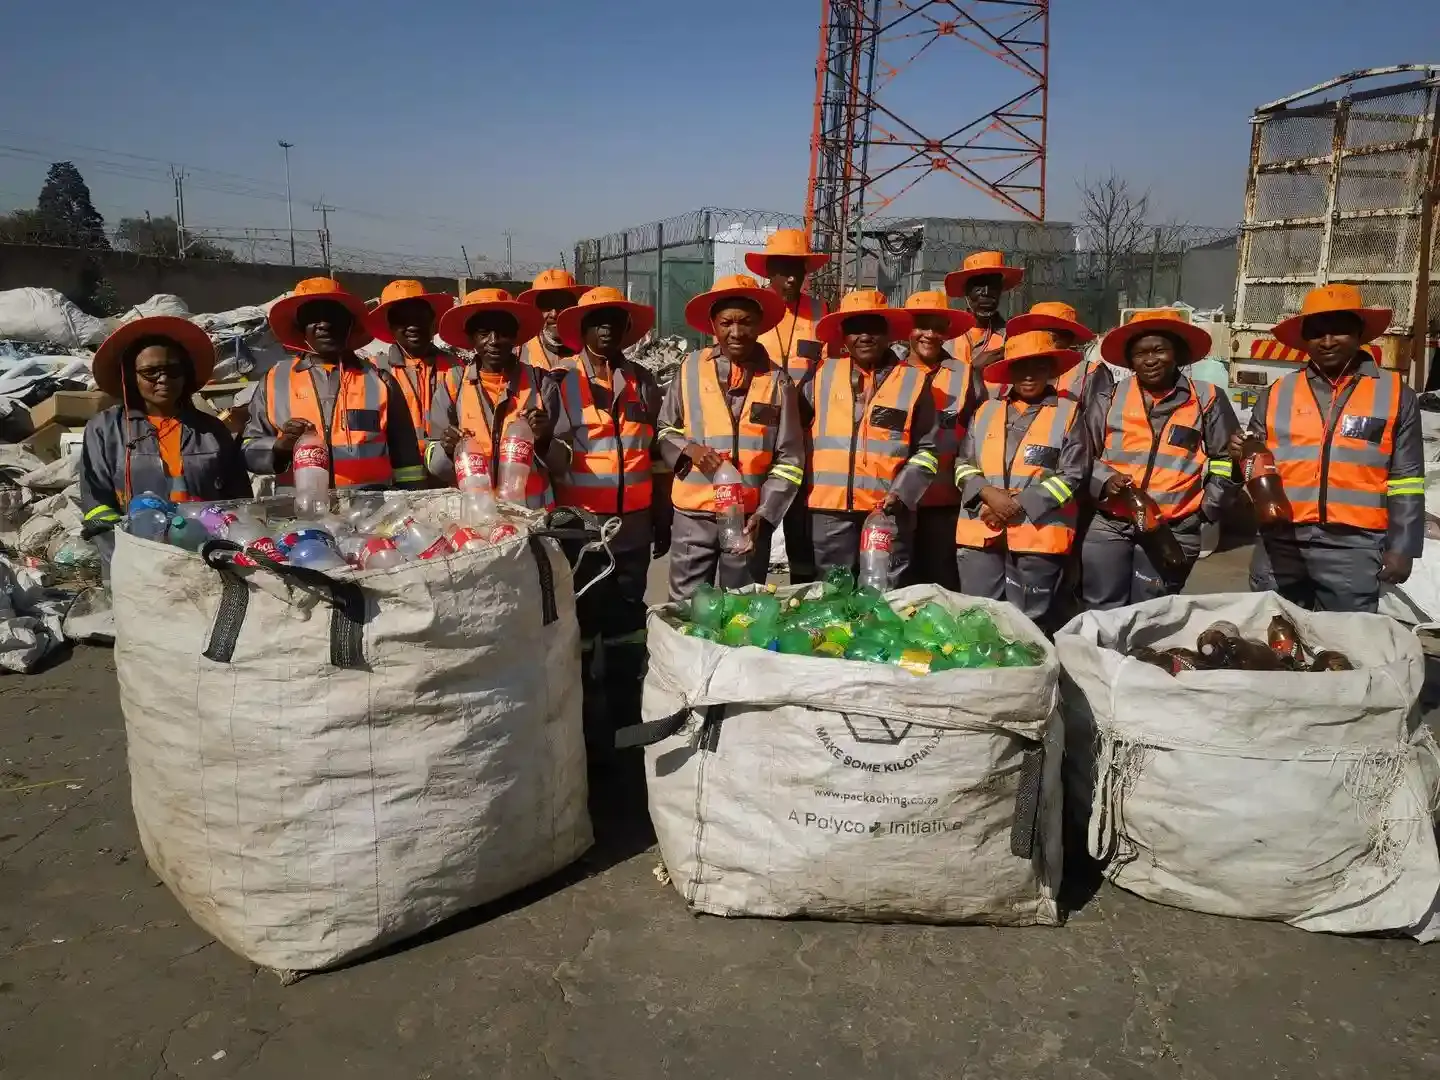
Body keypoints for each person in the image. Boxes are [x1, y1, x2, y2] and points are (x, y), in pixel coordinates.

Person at [1235, 284, 1421, 613]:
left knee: (1343, 646)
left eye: (1340, 331)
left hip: (1353, 546)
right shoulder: (1278, 391)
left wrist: (1403, 547)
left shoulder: (1395, 394)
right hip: (1281, 540)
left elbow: (1407, 479)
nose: (1328, 341)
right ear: (1305, 339)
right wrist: (1238, 452)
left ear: (1359, 333)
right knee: (1277, 637)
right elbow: (1255, 460)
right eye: (1317, 332)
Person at [550, 287, 662, 762]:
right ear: (583, 331)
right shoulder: (558, 383)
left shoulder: (644, 380)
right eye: (598, 323)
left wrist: (664, 518)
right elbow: (553, 456)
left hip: (633, 522)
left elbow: (655, 454)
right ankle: (581, 714)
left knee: (626, 618)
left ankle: (624, 706)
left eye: (615, 323)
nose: (607, 330)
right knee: (582, 617)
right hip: (582, 526)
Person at [657, 274, 805, 600]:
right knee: (687, 605)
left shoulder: (779, 382)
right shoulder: (690, 369)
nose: (736, 332)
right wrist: (690, 450)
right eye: (726, 323)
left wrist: (765, 515)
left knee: (742, 608)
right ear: (713, 324)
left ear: (760, 325)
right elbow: (665, 429)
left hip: (748, 519)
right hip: (693, 515)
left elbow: (790, 459)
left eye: (746, 323)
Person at [1083, 309, 1239, 609]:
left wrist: (1207, 509)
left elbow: (1226, 458)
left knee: (1152, 612)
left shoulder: (1206, 397)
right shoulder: (1109, 396)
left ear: (1177, 354)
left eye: (1159, 350)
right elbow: (1082, 454)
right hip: (1111, 524)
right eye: (1141, 353)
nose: (1151, 360)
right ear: (1130, 360)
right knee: (1102, 609)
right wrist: (1104, 480)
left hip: (1174, 527)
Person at [953, 331, 1091, 628]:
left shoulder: (1069, 414)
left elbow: (1073, 474)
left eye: (1038, 367)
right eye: (1020, 368)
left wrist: (1017, 504)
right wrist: (988, 495)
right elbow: (963, 465)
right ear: (1008, 372)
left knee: (1028, 626)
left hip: (1038, 537)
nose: (1029, 376)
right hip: (980, 533)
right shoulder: (985, 411)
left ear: (1051, 370)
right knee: (978, 619)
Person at [80, 316, 252, 550]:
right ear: (131, 377)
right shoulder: (104, 429)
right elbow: (98, 506)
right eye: (151, 372)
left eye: (173, 371)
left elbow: (239, 502)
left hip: (205, 557)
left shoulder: (212, 430)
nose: (163, 379)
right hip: (138, 561)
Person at [806, 289, 940, 585]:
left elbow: (928, 451)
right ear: (843, 336)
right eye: (855, 329)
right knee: (831, 594)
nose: (865, 337)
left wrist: (902, 494)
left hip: (888, 513)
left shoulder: (914, 382)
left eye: (874, 329)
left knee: (883, 596)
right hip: (830, 513)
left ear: (889, 334)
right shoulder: (821, 376)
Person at [243, 277, 425, 493]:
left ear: (349, 325)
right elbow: (248, 449)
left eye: (333, 317)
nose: (324, 325)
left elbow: (408, 461)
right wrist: (280, 447)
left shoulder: (380, 381)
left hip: (370, 513)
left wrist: (413, 502)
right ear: (301, 327)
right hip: (298, 512)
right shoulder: (274, 380)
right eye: (313, 318)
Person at [746, 228, 831, 583]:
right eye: (783, 268)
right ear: (769, 272)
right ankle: (753, 594)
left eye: (799, 269)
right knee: (759, 516)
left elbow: (828, 366)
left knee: (802, 524)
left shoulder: (819, 311)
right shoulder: (752, 310)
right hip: (760, 432)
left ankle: (803, 596)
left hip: (806, 435)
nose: (793, 277)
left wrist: (806, 402)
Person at [426, 288, 562, 507]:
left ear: (515, 336)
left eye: (502, 332)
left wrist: (544, 439)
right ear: (471, 338)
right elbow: (434, 462)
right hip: (477, 517)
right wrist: (446, 448)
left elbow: (564, 461)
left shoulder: (542, 383)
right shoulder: (453, 384)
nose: (494, 341)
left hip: (533, 516)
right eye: (483, 333)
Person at [899, 289, 977, 589]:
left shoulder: (966, 376)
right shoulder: (892, 373)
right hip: (898, 503)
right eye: (921, 325)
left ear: (946, 332)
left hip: (943, 504)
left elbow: (977, 436)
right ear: (908, 329)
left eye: (937, 327)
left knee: (941, 585)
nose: (929, 334)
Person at [364, 279, 460, 465]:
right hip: (397, 476)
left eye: (420, 318)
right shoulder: (374, 371)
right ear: (390, 326)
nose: (413, 325)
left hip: (448, 472)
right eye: (402, 319)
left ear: (433, 323)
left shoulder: (456, 368)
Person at [943, 250, 1024, 392]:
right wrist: (974, 369)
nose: (986, 292)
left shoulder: (1012, 338)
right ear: (966, 291)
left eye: (993, 285)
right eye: (978, 285)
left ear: (1000, 291)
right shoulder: (944, 335)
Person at [1007, 301, 1105, 406]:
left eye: (1050, 335)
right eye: (1037, 333)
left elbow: (1096, 418)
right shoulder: (1013, 366)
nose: (1042, 340)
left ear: (1069, 338)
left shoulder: (1090, 372)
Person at [517, 268, 589, 373]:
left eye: (562, 304)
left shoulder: (591, 352)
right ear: (536, 310)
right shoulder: (519, 353)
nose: (554, 314)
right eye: (546, 305)